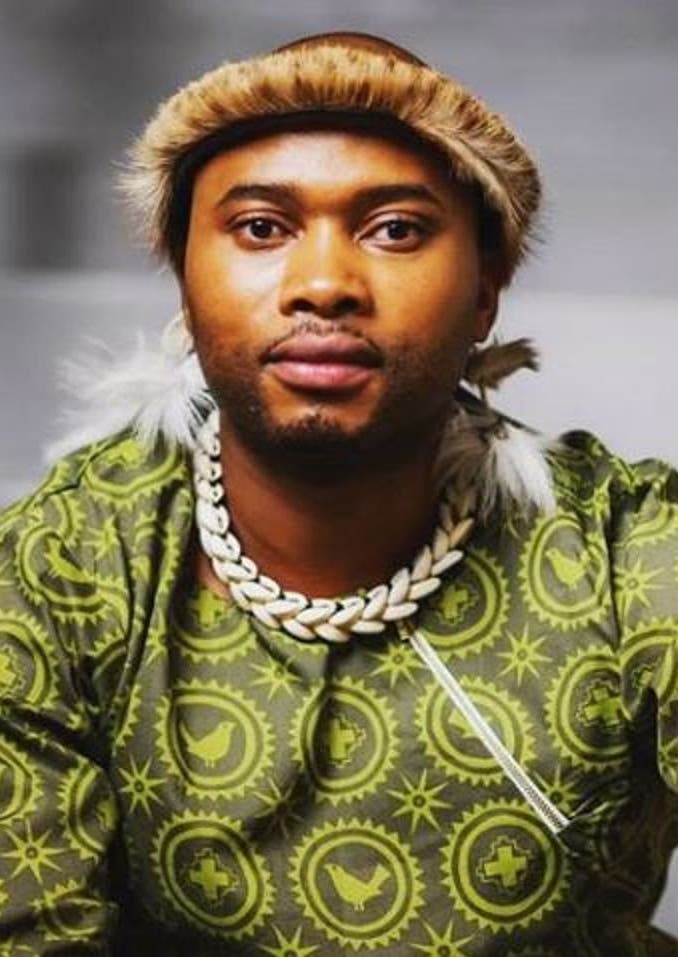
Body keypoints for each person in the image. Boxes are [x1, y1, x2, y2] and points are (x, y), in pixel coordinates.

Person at [0, 30, 676, 956]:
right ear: (184, 279)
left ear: (486, 291)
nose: (323, 285)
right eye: (261, 228)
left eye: (395, 229)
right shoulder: (63, 564)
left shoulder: (625, 548)